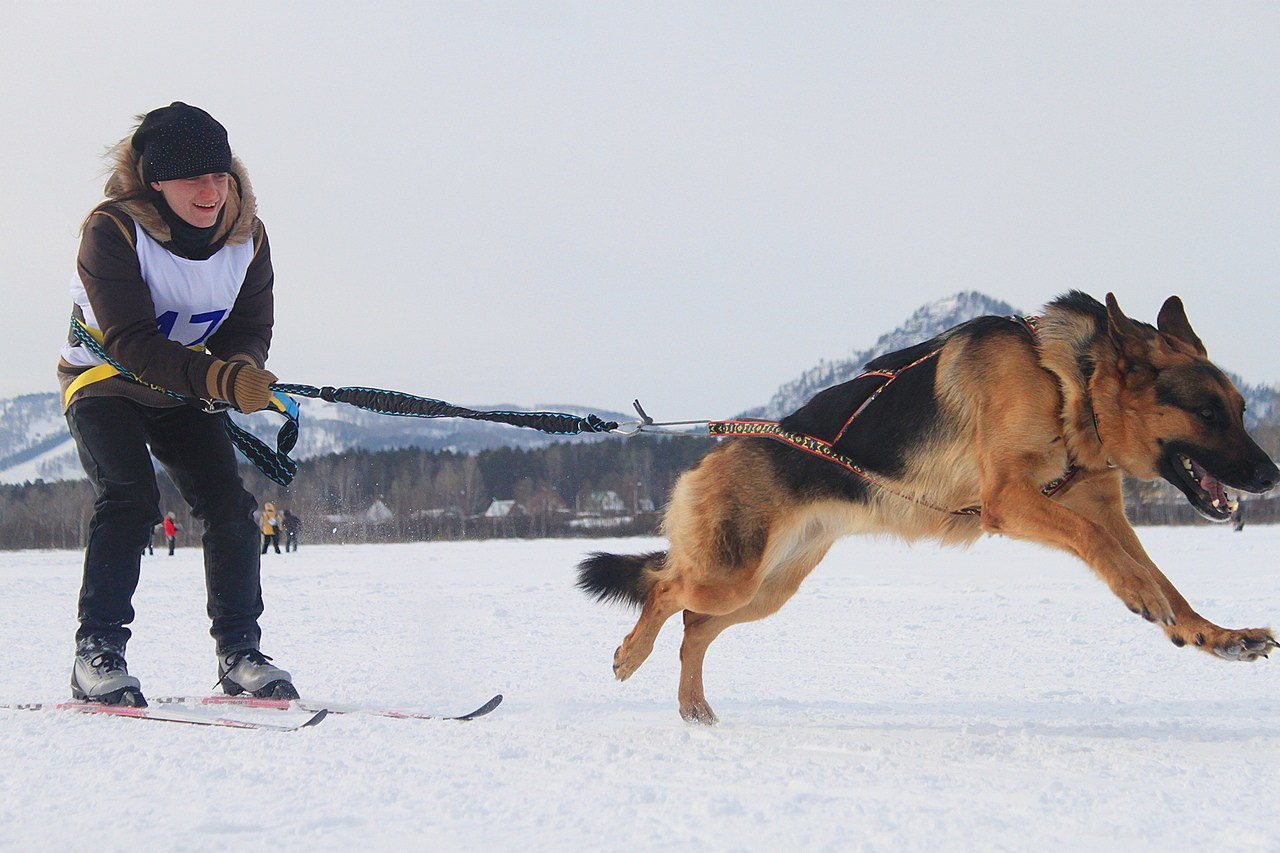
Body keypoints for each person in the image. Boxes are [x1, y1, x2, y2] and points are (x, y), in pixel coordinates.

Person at [58, 102, 297, 706]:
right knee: (130, 496)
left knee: (229, 504)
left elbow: (248, 325)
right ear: (155, 181)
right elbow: (133, 342)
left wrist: (240, 369)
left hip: (183, 387)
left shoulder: (248, 234)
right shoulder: (111, 230)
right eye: (194, 177)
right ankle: (98, 651)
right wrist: (219, 380)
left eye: (220, 175)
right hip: (104, 381)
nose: (211, 190)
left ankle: (240, 650)